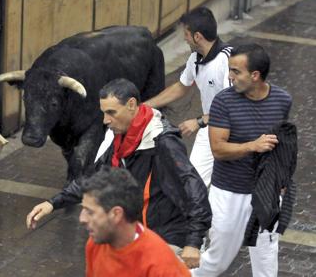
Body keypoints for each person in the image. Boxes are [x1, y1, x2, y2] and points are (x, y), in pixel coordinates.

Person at [27, 78, 211, 269]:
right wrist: (52, 203)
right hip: (140, 233)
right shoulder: (120, 138)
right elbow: (94, 178)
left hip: (169, 238)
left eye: (111, 113)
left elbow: (194, 188)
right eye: (104, 113)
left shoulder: (163, 142)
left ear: (131, 105)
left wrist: (193, 242)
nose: (106, 120)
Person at [191, 44, 292, 276]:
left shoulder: (282, 100)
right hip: (228, 193)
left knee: (266, 258)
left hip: (265, 193)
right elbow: (218, 149)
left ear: (255, 76)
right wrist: (252, 146)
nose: (229, 76)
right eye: (230, 70)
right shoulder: (223, 102)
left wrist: (283, 176)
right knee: (217, 260)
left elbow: (282, 142)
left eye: (236, 71)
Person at [145, 7, 232, 188]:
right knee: (192, 185)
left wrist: (199, 121)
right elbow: (180, 87)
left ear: (197, 36)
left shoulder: (227, 60)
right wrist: (145, 106)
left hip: (234, 134)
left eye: (186, 34)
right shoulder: (195, 59)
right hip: (210, 129)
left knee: (227, 189)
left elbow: (233, 106)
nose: (184, 38)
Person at [80, 166, 190, 277]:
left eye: (90, 212)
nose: (82, 218)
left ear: (116, 214)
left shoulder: (161, 267)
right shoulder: (96, 243)